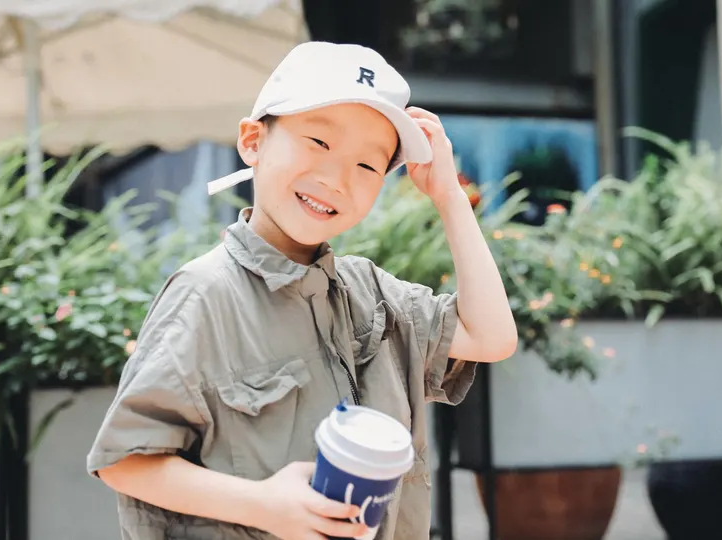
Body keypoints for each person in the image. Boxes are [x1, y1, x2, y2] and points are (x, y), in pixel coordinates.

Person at [87, 41, 517, 540]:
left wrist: (449, 195)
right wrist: (264, 506)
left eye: (367, 166)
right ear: (253, 140)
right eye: (318, 142)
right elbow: (124, 460)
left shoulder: (373, 295)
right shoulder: (205, 294)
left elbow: (490, 337)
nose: (336, 178)